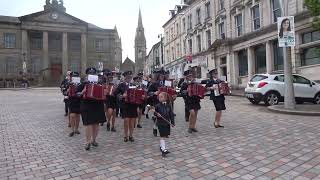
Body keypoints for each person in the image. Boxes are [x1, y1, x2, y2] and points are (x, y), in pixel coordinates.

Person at [78, 68, 106, 150]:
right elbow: (77, 93)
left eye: (93, 73)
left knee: (96, 123)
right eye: (90, 73)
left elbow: (104, 94)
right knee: (88, 124)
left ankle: (94, 140)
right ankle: (87, 142)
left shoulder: (100, 83)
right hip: (86, 105)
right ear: (87, 75)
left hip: (97, 105)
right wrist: (83, 91)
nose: (92, 75)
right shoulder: (83, 83)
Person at [115, 71, 138, 142]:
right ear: (124, 77)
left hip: (133, 105)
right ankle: (125, 135)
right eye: (127, 77)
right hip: (125, 105)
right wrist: (121, 96)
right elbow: (116, 93)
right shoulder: (121, 85)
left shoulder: (134, 85)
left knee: (132, 121)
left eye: (130, 77)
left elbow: (138, 94)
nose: (129, 78)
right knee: (126, 120)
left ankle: (131, 135)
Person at [154, 92, 175, 157]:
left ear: (165, 98)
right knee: (162, 136)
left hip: (167, 123)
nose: (159, 98)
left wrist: (172, 122)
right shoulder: (157, 106)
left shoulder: (169, 105)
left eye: (161, 97)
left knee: (165, 135)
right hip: (160, 123)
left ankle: (161, 146)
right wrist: (157, 115)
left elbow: (171, 114)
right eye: (159, 97)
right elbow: (154, 113)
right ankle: (163, 149)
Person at [67, 72, 81, 137]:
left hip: (78, 100)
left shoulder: (80, 83)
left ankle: (76, 129)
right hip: (71, 100)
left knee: (78, 115)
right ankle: (72, 130)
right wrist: (68, 88)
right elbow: (64, 90)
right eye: (73, 76)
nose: (74, 78)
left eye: (76, 76)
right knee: (72, 115)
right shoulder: (68, 83)